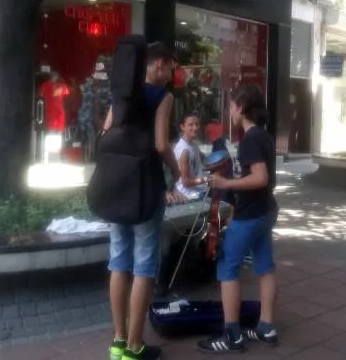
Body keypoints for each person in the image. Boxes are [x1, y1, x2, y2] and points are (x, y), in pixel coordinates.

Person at [104, 42, 186, 360]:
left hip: (118, 185)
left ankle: (118, 340)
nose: (170, 75)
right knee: (145, 264)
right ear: (159, 63)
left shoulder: (123, 93)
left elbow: (107, 130)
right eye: (171, 68)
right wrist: (176, 170)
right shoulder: (162, 97)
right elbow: (162, 144)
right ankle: (135, 346)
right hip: (147, 187)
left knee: (118, 259)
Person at [197, 84, 279, 354]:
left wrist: (226, 183)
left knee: (227, 267)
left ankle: (232, 335)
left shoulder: (251, 139)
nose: (229, 111)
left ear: (241, 108)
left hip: (251, 214)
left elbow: (260, 178)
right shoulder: (264, 136)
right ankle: (266, 327)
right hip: (265, 211)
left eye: (231, 106)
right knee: (265, 266)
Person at [173, 112, 208, 199]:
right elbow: (186, 182)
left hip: (198, 190)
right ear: (182, 127)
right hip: (189, 196)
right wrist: (207, 179)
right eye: (191, 125)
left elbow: (205, 161)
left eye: (197, 124)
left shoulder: (193, 145)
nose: (195, 128)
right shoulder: (184, 150)